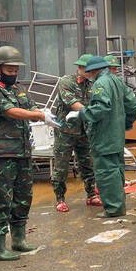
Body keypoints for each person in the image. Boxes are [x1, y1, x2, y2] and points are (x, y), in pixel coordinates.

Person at [0, 46, 59, 261]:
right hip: (1, 154)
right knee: (1, 200)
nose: (13, 73)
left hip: (22, 152)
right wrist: (39, 115)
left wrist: (44, 115)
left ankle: (19, 240)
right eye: (9, 70)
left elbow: (31, 111)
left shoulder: (19, 90)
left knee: (23, 198)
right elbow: (11, 112)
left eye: (15, 70)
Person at [68, 55, 136, 218]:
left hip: (103, 135)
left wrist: (81, 113)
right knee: (117, 169)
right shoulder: (117, 81)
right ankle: (118, 205)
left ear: (93, 70)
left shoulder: (100, 83)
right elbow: (133, 107)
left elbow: (100, 109)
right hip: (116, 135)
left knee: (106, 172)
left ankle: (113, 208)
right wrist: (124, 124)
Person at [50, 54, 100, 212]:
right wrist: (89, 112)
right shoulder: (66, 82)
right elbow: (72, 102)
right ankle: (60, 199)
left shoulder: (91, 84)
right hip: (65, 131)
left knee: (88, 163)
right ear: (80, 68)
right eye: (88, 69)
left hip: (84, 131)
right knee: (61, 166)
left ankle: (91, 195)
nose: (91, 72)